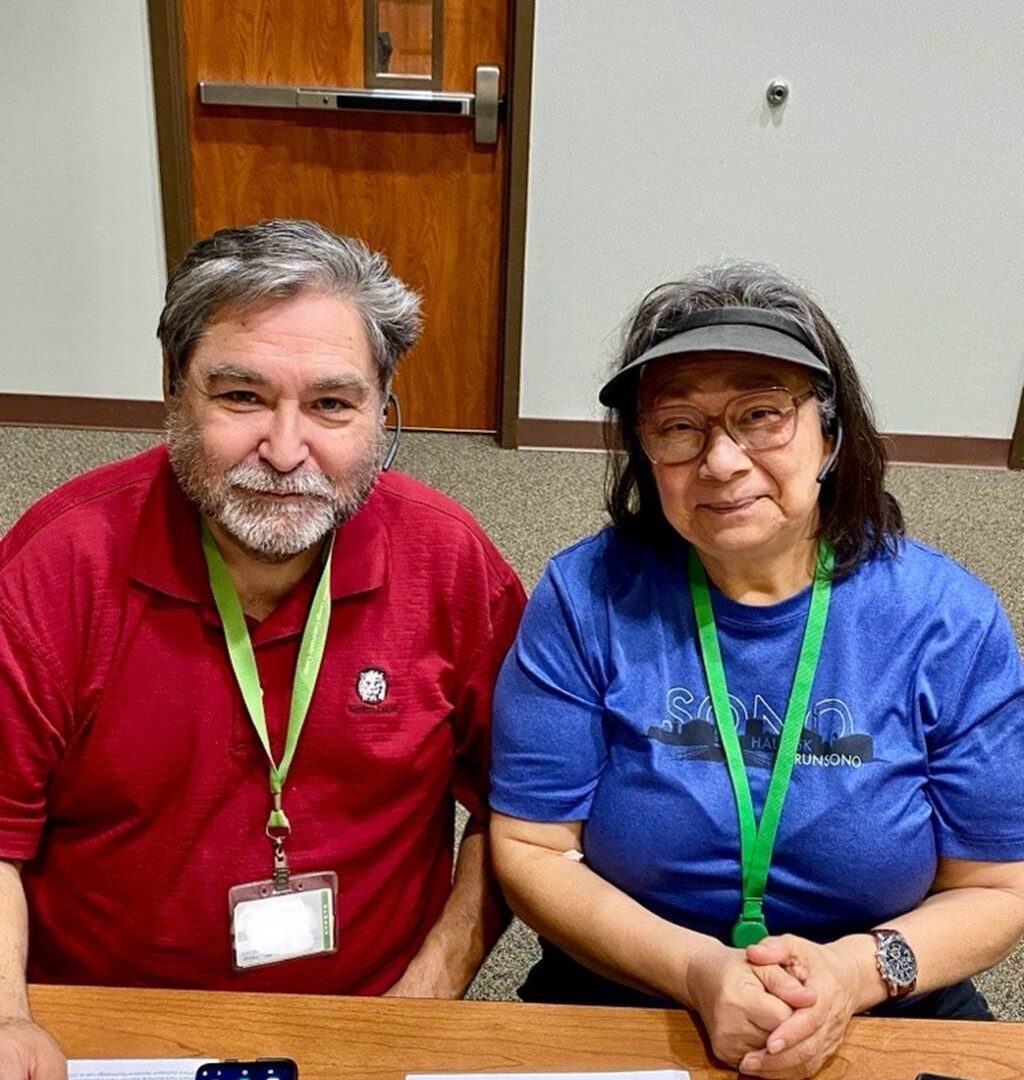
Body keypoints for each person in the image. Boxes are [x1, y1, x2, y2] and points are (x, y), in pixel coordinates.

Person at [0, 219, 525, 1078]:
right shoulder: (56, 562)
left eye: (331, 404)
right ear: (174, 390)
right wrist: (7, 1016)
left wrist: (433, 987)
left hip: (372, 1016)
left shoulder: (450, 560)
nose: (286, 453)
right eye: (241, 398)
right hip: (103, 1020)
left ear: (382, 405)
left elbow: (522, 807)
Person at [489, 263, 1024, 1078]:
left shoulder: (948, 620)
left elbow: (995, 888)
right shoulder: (583, 594)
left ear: (832, 433)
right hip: (629, 984)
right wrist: (697, 972)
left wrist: (852, 974)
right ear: (644, 449)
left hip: (883, 992)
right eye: (678, 425)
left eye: (762, 414)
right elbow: (531, 847)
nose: (722, 461)